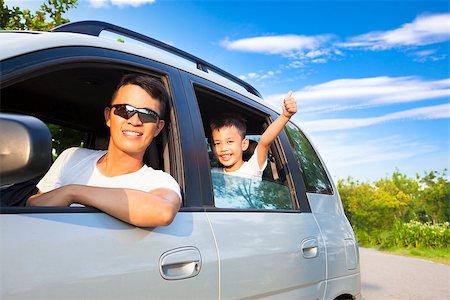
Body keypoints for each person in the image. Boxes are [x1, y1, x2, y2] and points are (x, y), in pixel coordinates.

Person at [27, 74, 181, 227]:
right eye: (124, 110)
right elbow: (33, 206)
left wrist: (72, 192)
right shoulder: (72, 157)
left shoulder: (158, 181)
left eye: (147, 115)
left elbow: (163, 212)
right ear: (108, 117)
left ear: (158, 128)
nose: (134, 121)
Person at [209, 91, 297, 179]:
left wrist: (285, 116)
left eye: (230, 141)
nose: (223, 148)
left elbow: (264, 142)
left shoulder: (252, 168)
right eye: (217, 143)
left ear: (244, 144)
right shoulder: (212, 174)